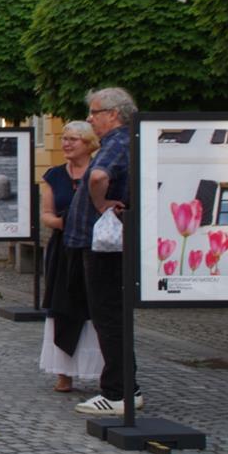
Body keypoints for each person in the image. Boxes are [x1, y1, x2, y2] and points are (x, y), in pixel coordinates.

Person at [64, 88, 144, 416]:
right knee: (109, 315)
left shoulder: (117, 142)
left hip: (104, 246)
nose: (90, 119)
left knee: (108, 316)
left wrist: (100, 205)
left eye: (94, 113)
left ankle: (119, 392)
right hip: (103, 244)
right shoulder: (127, 141)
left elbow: (98, 176)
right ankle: (124, 387)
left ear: (113, 114)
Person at [38, 121, 104, 393]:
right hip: (63, 249)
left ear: (89, 144)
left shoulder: (100, 174)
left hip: (94, 249)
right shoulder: (55, 175)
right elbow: (47, 214)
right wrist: (65, 223)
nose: (66, 143)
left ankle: (103, 372)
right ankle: (64, 373)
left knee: (96, 310)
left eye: (73, 139)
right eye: (64, 138)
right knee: (62, 307)